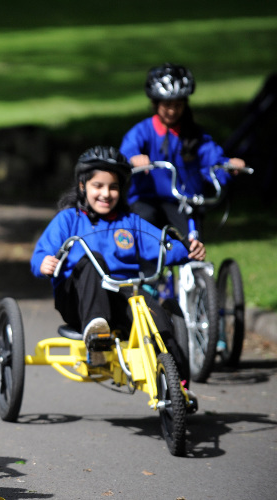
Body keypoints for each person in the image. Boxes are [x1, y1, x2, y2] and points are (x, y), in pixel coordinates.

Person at [31, 146, 206, 392]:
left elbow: (162, 246)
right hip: (78, 299)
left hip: (124, 295)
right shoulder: (68, 219)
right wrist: (44, 263)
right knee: (94, 261)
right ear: (83, 187)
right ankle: (97, 335)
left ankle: (179, 388)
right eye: (98, 186)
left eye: (113, 187)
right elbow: (41, 253)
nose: (106, 193)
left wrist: (187, 250)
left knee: (160, 323)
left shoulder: (130, 223)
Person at [120, 63, 247, 238]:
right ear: (155, 104)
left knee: (192, 240)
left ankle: (193, 264)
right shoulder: (142, 131)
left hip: (182, 201)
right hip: (147, 199)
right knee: (144, 229)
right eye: (167, 105)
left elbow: (211, 158)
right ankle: (147, 265)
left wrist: (228, 166)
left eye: (178, 105)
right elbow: (128, 151)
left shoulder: (193, 135)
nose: (172, 111)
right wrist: (134, 159)